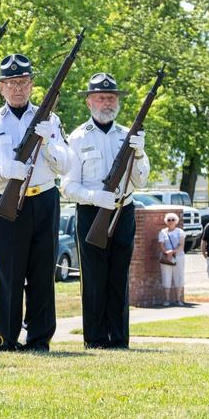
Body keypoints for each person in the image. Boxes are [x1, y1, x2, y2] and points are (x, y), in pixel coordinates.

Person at [0, 54, 74, 352]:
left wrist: (49, 143)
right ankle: (7, 338)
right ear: (1, 87)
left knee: (43, 272)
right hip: (6, 202)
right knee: (9, 273)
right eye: (12, 83)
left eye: (24, 82)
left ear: (32, 85)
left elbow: (67, 166)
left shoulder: (50, 119)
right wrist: (2, 172)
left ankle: (39, 339)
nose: (18, 88)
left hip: (44, 199)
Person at [61, 73, 149, 349]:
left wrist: (141, 154)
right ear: (89, 102)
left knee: (119, 273)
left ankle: (119, 338)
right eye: (100, 97)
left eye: (111, 98)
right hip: (91, 213)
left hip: (124, 209)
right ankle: (96, 338)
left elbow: (141, 180)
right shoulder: (77, 138)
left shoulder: (128, 136)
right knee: (94, 276)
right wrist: (94, 196)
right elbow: (67, 186)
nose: (107, 102)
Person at [158, 212, 186, 307]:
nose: (171, 222)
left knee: (179, 276)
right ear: (166, 221)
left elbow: (181, 245)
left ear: (176, 221)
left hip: (178, 256)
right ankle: (167, 299)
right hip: (167, 258)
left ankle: (178, 299)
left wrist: (172, 252)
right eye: (169, 220)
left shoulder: (180, 232)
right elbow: (161, 245)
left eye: (173, 220)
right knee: (166, 277)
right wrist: (167, 253)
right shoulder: (162, 232)